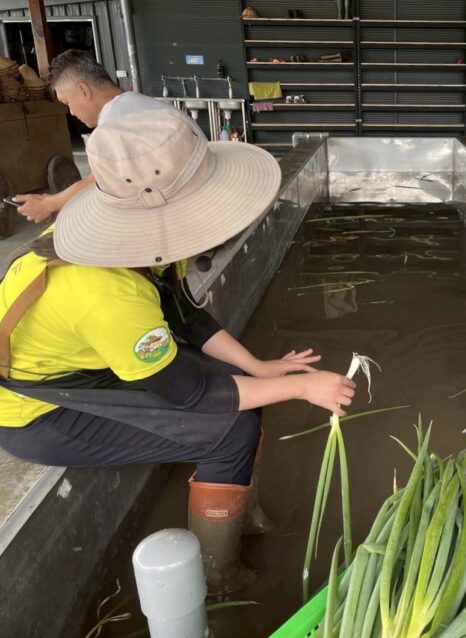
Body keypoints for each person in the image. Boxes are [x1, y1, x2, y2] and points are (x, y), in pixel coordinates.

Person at [0, 109, 357, 595]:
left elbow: (183, 314)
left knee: (241, 398)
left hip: (92, 364)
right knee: (230, 428)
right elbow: (188, 393)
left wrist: (258, 365)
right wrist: (299, 386)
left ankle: (238, 509)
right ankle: (215, 574)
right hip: (39, 412)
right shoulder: (108, 294)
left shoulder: (138, 243)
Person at [11, 49, 195, 224]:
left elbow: (97, 182)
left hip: (185, 212)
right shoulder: (138, 103)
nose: (71, 113)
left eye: (67, 103)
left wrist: (49, 204)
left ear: (84, 91)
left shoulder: (114, 122)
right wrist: (50, 202)